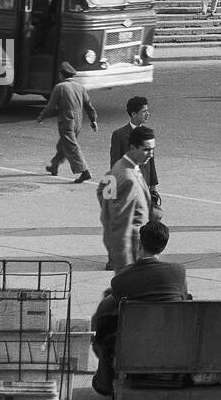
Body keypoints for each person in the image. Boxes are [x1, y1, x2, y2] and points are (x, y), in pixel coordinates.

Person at [89, 219, 189, 400]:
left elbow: (108, 310)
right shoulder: (178, 272)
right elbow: (184, 299)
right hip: (171, 344)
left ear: (139, 245)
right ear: (164, 246)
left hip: (134, 348)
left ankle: (107, 391)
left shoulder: (121, 280)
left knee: (105, 331)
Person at [97, 126, 155, 272]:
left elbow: (101, 190)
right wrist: (125, 268)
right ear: (133, 147)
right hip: (132, 251)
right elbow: (121, 228)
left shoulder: (119, 166)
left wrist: (108, 211)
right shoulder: (128, 178)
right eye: (146, 149)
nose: (151, 154)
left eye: (153, 149)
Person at [36, 62, 98, 183]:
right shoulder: (80, 87)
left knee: (71, 146)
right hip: (78, 122)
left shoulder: (60, 87)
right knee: (63, 145)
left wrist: (41, 117)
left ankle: (84, 171)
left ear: (61, 75)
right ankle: (54, 165)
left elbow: (50, 106)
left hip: (66, 122)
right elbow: (88, 105)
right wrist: (93, 120)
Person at [109, 96, 161, 237]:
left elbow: (151, 161)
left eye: (147, 110)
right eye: (144, 111)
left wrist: (153, 186)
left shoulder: (148, 134)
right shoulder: (119, 135)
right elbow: (114, 163)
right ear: (133, 114)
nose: (147, 114)